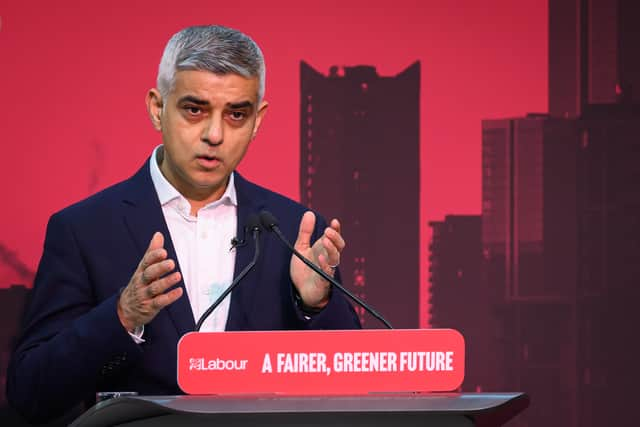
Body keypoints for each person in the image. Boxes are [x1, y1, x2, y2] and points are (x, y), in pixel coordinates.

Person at [7, 25, 360, 424]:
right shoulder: (83, 229)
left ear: (258, 120)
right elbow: (30, 392)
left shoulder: (293, 228)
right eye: (195, 109)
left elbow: (353, 387)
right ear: (157, 108)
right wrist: (122, 317)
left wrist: (314, 305)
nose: (214, 134)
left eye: (236, 115)